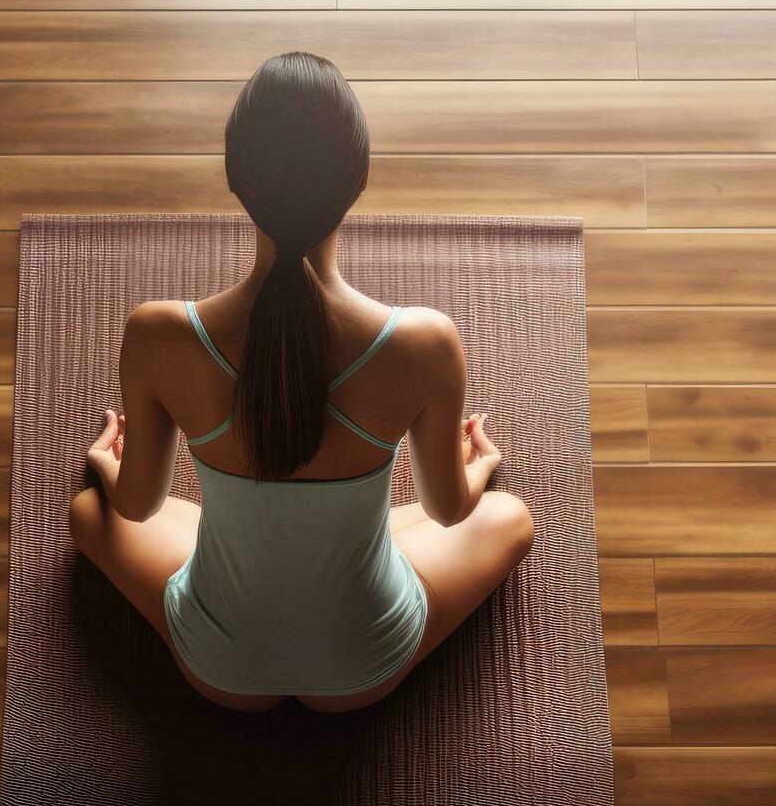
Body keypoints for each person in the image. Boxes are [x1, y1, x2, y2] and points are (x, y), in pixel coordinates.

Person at [67, 51, 535, 713]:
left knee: (89, 514)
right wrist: (479, 470)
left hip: (220, 666)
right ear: (356, 179)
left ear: (236, 177)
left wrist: (107, 466)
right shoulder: (424, 344)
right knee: (508, 518)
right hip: (364, 665)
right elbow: (447, 511)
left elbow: (137, 507)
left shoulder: (158, 334)